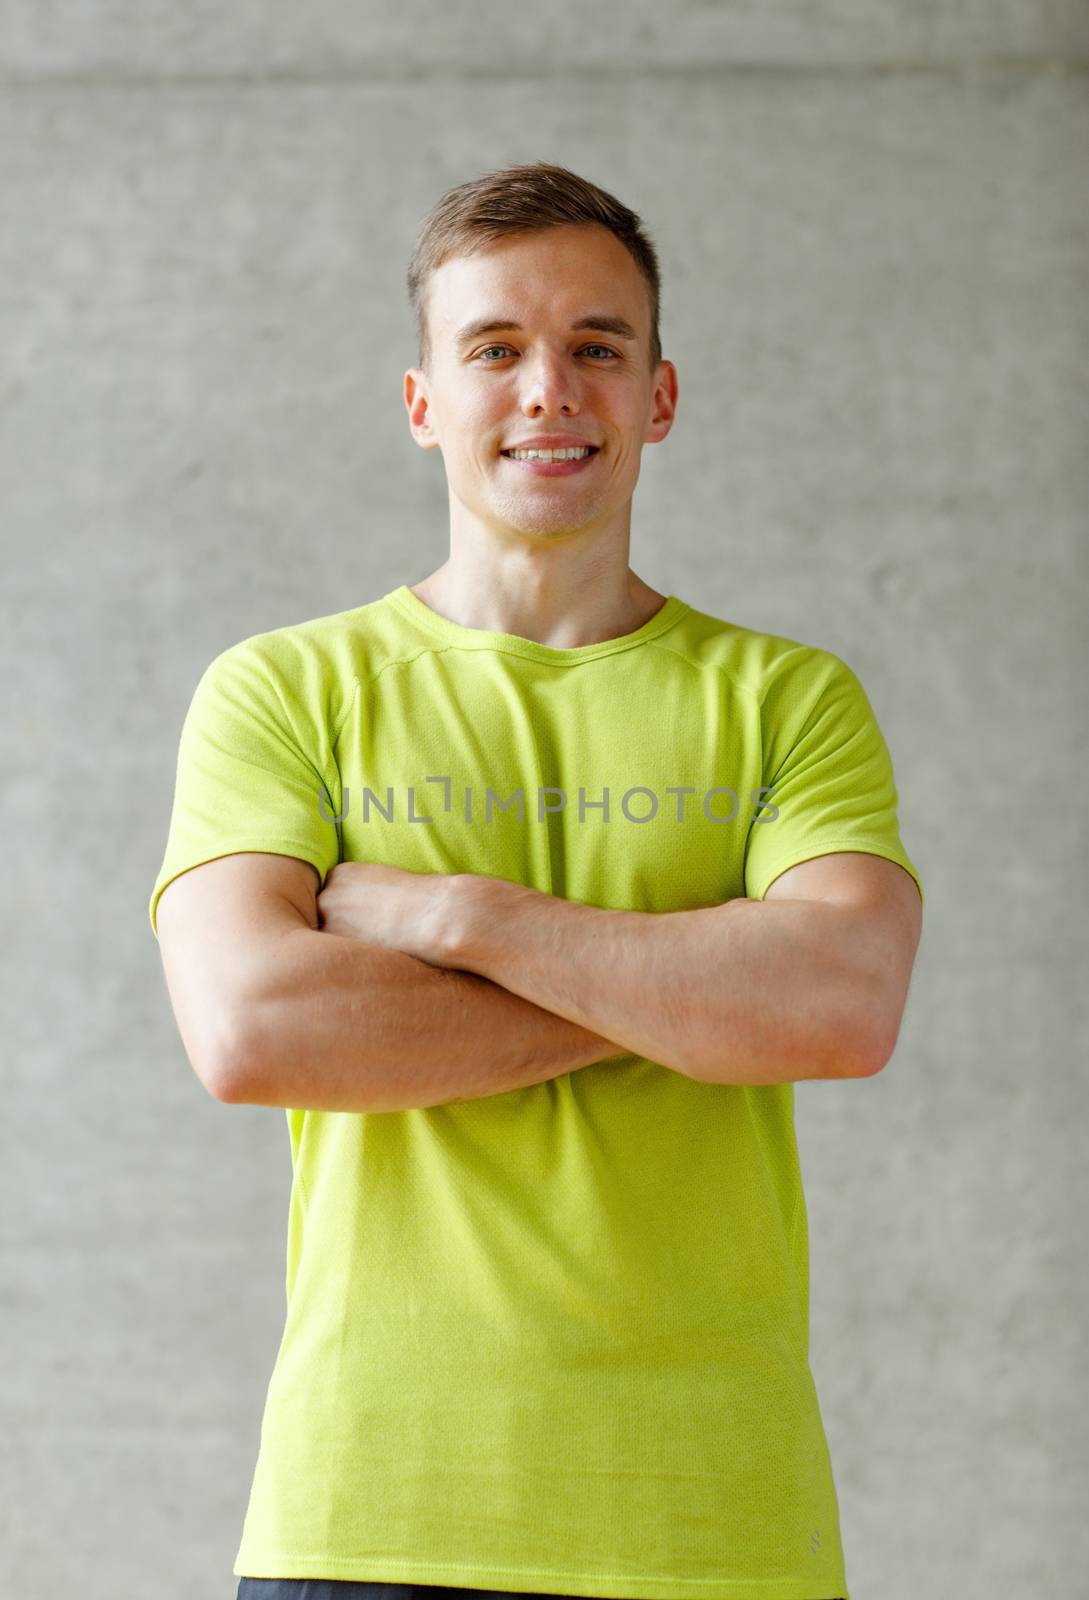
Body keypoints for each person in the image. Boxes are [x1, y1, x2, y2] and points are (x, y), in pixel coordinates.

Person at [149, 160, 921, 1600]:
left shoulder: (786, 700)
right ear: (424, 401)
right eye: (494, 348)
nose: (548, 389)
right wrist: (694, 989)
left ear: (660, 397)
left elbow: (840, 1005)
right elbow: (255, 1031)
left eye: (596, 348)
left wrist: (463, 921)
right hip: (368, 1510)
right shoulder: (285, 691)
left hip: (713, 1525)